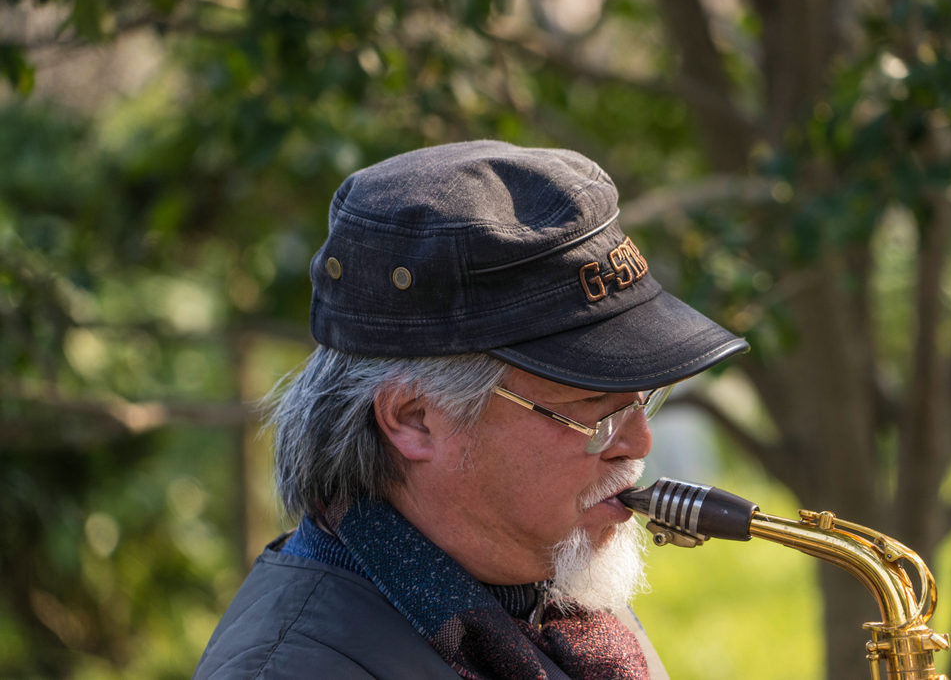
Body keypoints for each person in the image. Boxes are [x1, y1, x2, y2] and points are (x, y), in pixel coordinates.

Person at [194, 140, 748, 679]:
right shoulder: (296, 668)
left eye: (645, 396)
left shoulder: (552, 591)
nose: (639, 443)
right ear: (415, 419)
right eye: (592, 408)